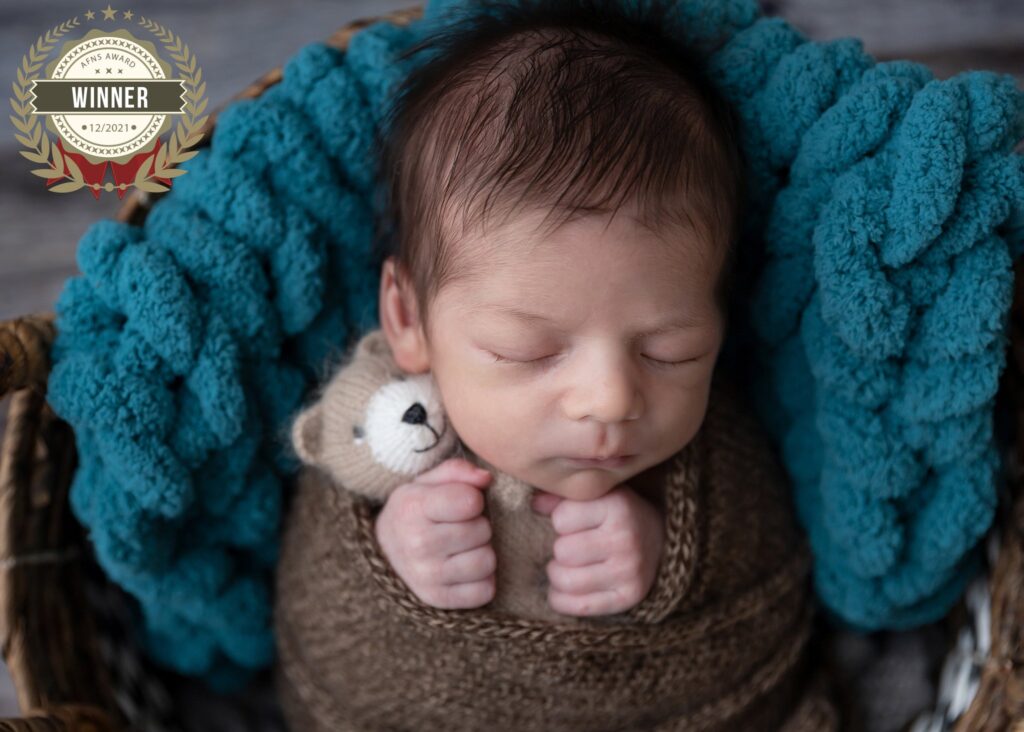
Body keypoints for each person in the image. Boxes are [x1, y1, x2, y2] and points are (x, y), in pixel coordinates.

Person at [273, 1, 836, 729]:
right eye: (528, 351)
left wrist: (673, 558)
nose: (610, 399)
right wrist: (387, 555)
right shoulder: (382, 435)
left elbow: (769, 557)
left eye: (671, 350)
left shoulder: (712, 448)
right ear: (409, 318)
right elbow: (315, 607)